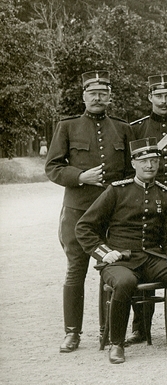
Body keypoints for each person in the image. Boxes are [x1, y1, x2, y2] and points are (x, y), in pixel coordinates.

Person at [75, 138, 167, 364]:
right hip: (119, 260)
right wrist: (104, 253)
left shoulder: (166, 195)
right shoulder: (116, 191)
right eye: (144, 161)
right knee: (125, 282)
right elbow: (83, 227)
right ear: (133, 163)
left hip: (152, 259)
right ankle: (116, 343)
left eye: (154, 160)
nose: (149, 166)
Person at [45, 70, 133, 352]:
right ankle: (72, 333)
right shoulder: (68, 126)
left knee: (112, 268)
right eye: (92, 93)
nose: (97, 98)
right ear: (83, 96)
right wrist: (80, 176)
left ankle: (108, 331)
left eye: (103, 93)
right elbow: (52, 167)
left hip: (112, 215)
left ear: (110, 97)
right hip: (78, 213)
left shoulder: (122, 128)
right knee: (76, 270)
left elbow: (130, 171)